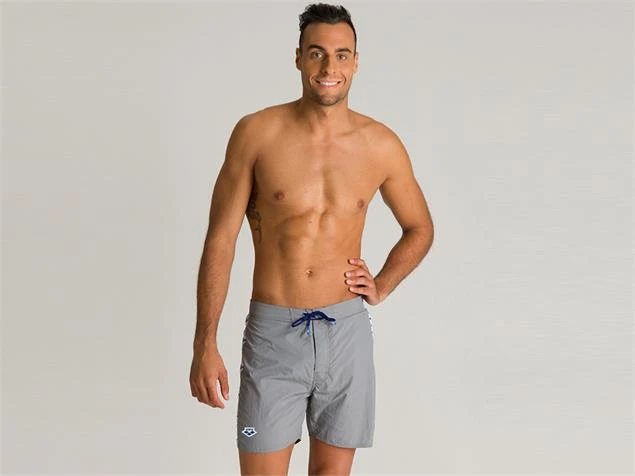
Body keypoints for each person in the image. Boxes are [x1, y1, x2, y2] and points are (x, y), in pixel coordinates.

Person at [189, 3, 434, 475]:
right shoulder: (256, 133)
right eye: (317, 53)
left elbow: (420, 227)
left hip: (346, 334)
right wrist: (205, 343)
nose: (329, 67)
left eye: (341, 55)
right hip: (273, 333)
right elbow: (220, 240)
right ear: (299, 57)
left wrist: (382, 284)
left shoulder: (381, 144)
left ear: (356, 62)